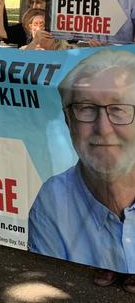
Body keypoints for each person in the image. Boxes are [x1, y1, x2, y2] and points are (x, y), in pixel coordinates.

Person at [28, 49, 135, 292]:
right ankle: (107, 262)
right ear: (68, 121)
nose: (104, 129)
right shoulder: (53, 199)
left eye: (119, 109)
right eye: (86, 108)